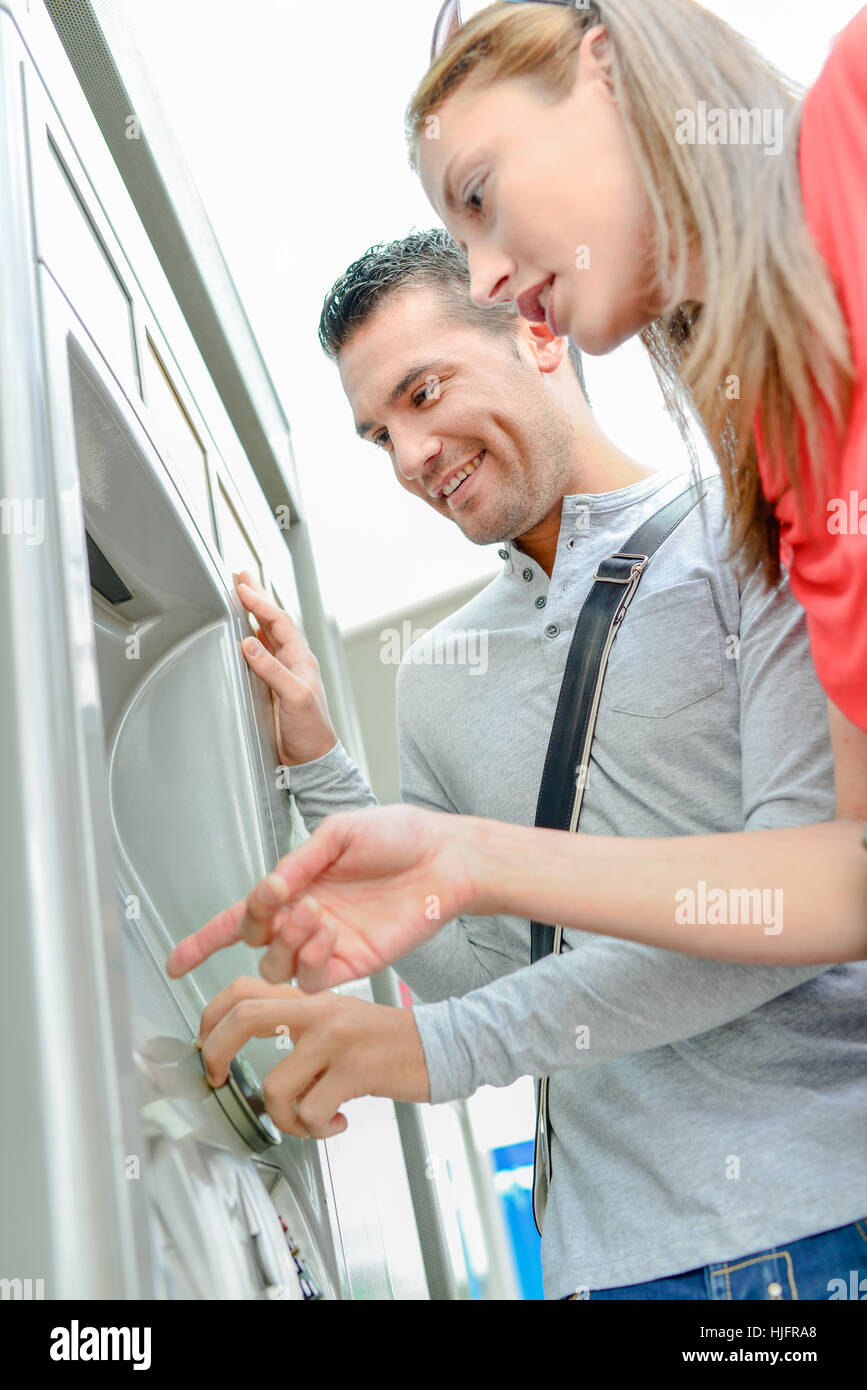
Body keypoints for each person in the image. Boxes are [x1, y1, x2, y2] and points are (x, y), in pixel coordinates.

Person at [169, 230, 867, 1301]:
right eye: (378, 434)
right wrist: (318, 765)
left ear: (537, 331)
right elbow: (505, 974)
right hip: (596, 1259)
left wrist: (423, 1048)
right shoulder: (438, 675)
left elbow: (794, 913)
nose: (410, 457)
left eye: (425, 389)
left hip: (807, 1229)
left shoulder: (751, 538)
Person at [181, 0, 867, 972]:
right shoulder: (783, 473)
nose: (490, 274)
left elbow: (806, 914)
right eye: (379, 434)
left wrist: (457, 993)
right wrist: (404, 820)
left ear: (607, 73)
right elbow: (846, 878)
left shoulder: (854, 112)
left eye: (480, 195)